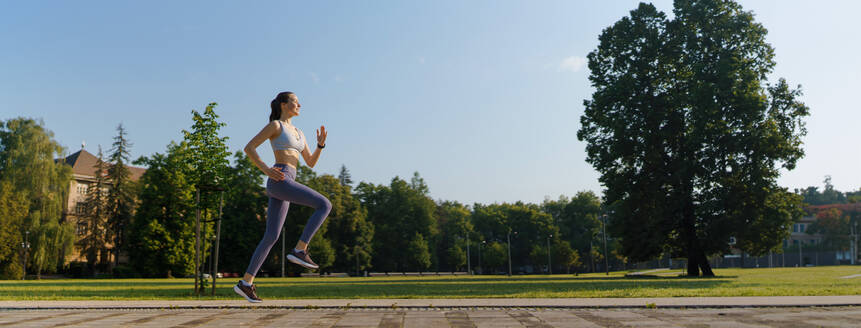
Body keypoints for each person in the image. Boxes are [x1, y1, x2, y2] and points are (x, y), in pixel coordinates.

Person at [233, 91, 331, 303]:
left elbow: (310, 162)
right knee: (324, 204)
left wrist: (320, 146)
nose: (299, 105)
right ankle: (300, 249)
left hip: (288, 181)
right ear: (284, 105)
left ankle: (246, 283)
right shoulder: (276, 126)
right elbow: (249, 147)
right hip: (280, 177)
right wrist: (266, 169)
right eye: (296, 102)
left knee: (271, 237)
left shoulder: (299, 133)